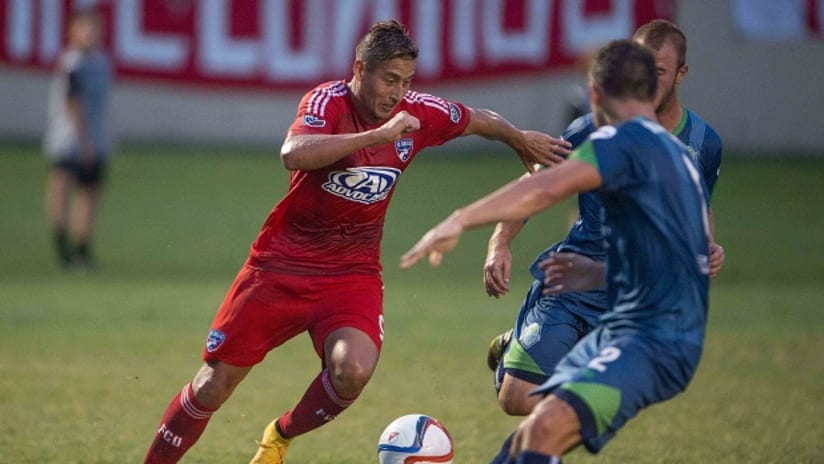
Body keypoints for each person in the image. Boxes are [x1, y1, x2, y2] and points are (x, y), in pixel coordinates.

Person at [142, 20, 570, 464]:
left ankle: (279, 436)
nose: (397, 94)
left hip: (352, 273)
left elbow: (481, 119)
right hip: (280, 265)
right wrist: (377, 136)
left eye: (405, 82)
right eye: (389, 80)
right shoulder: (328, 101)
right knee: (214, 384)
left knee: (354, 370)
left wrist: (519, 139)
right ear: (360, 69)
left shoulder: (418, 111)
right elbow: (294, 151)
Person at [401, 39, 711, 463]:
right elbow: (682, 255)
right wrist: (599, 274)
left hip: (652, 340)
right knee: (530, 432)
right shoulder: (676, 153)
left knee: (547, 428)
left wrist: (459, 219)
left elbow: (543, 188)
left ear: (596, 95)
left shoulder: (623, 141)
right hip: (644, 326)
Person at [483, 19, 724, 417]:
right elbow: (535, 185)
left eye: (659, 72)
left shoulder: (704, 144)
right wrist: (499, 243)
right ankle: (517, 349)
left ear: (682, 74)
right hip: (571, 286)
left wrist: (708, 246)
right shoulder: (593, 128)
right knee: (516, 401)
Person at [43, 8, 113, 270]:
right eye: (85, 28)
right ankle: (61, 243)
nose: (91, 33)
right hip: (69, 139)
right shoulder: (72, 64)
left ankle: (82, 245)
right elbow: (74, 103)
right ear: (73, 31)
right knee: (62, 185)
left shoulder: (101, 62)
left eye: (95, 28)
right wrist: (84, 140)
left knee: (90, 191)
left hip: (96, 137)